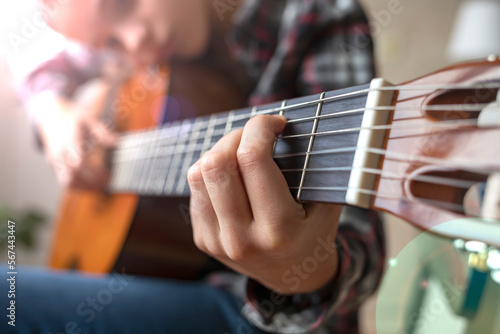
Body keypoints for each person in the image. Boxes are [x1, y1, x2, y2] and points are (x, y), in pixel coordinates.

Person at [2, 0, 385, 333]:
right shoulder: (131, 38)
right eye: (110, 43)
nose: (134, 42)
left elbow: (366, 255)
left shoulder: (313, 14)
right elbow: (41, 70)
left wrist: (301, 270)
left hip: (263, 313)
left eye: (123, 2)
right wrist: (52, 113)